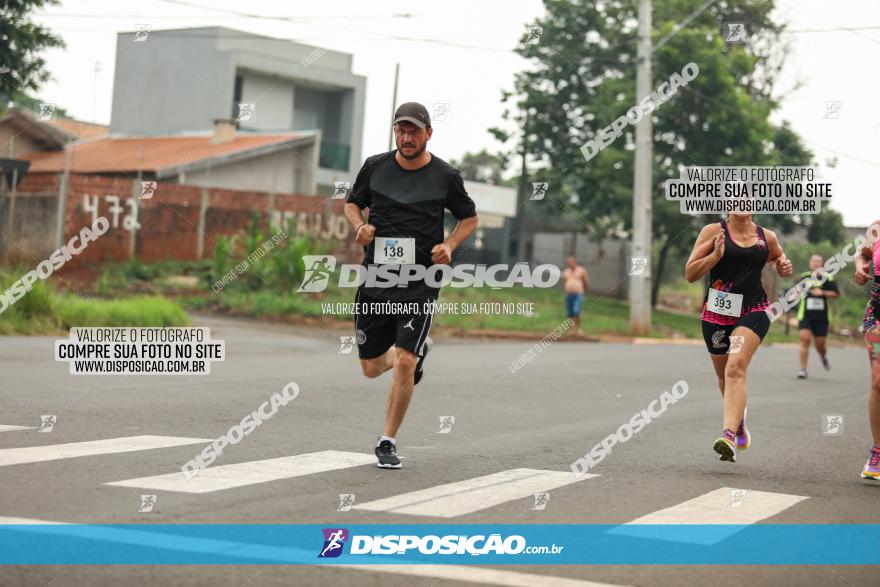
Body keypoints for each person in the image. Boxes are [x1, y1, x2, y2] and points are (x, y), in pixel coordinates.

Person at [344, 102, 479, 469]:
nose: (406, 137)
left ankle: (387, 440)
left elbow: (469, 217)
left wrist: (449, 245)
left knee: (405, 361)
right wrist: (360, 226)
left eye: (414, 131)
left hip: (420, 281)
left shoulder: (445, 176)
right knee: (371, 368)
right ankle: (414, 353)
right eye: (401, 130)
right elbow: (352, 204)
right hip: (376, 280)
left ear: (428, 134)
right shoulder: (374, 167)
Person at [685, 213, 792, 462]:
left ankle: (729, 436)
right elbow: (690, 273)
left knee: (736, 367)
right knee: (724, 376)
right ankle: (739, 420)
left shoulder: (767, 237)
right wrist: (714, 256)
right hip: (717, 313)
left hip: (753, 310)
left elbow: (778, 258)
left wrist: (782, 265)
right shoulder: (713, 232)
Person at [854, 221, 880, 480]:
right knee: (878, 380)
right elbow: (861, 253)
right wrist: (861, 267)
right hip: (878, 311)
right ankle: (878, 451)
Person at [796, 254, 840, 379]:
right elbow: (796, 292)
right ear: (810, 263)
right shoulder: (804, 276)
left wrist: (822, 292)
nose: (815, 263)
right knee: (804, 339)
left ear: (822, 264)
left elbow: (836, 294)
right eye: (813, 261)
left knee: (820, 345)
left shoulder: (828, 277)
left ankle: (823, 356)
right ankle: (803, 369)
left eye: (818, 262)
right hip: (805, 315)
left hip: (822, 317)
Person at [562, 256, 589, 329]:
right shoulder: (566, 271)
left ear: (574, 262)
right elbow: (564, 282)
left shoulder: (581, 270)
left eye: (571, 262)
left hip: (578, 294)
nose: (569, 264)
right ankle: (570, 330)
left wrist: (585, 290)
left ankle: (578, 328)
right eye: (568, 263)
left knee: (576, 311)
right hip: (569, 294)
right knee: (569, 313)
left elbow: (585, 281)